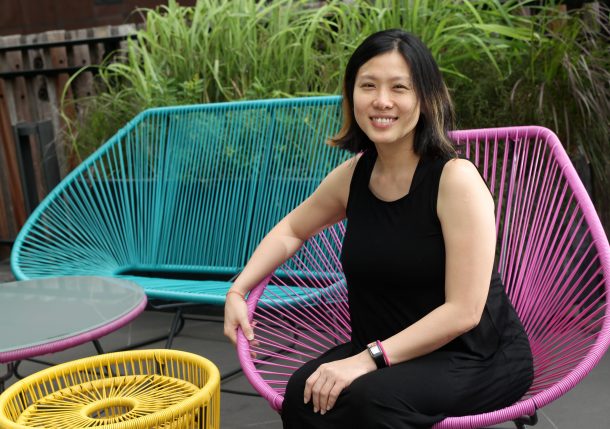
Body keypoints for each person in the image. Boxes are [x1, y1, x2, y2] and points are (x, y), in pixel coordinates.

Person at [224, 29, 533, 428]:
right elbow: (292, 230)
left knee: (372, 402)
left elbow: (464, 312)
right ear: (351, 94)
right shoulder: (354, 175)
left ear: (426, 98)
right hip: (385, 350)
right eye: (368, 85)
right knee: (303, 394)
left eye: (399, 87)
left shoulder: (455, 180)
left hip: (475, 356)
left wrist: (367, 359)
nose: (382, 100)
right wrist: (238, 290)